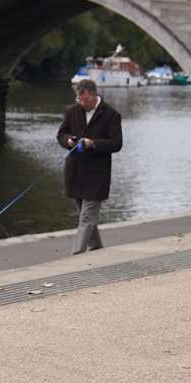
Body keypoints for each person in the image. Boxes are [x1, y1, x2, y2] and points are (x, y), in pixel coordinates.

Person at [56, 77, 123, 255]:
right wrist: (69, 141)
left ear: (94, 95)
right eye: (79, 99)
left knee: (86, 216)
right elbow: (61, 134)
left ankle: (76, 254)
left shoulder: (111, 115)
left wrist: (92, 143)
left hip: (97, 174)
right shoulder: (72, 111)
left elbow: (116, 144)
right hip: (75, 172)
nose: (81, 103)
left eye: (84, 100)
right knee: (83, 214)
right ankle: (96, 247)